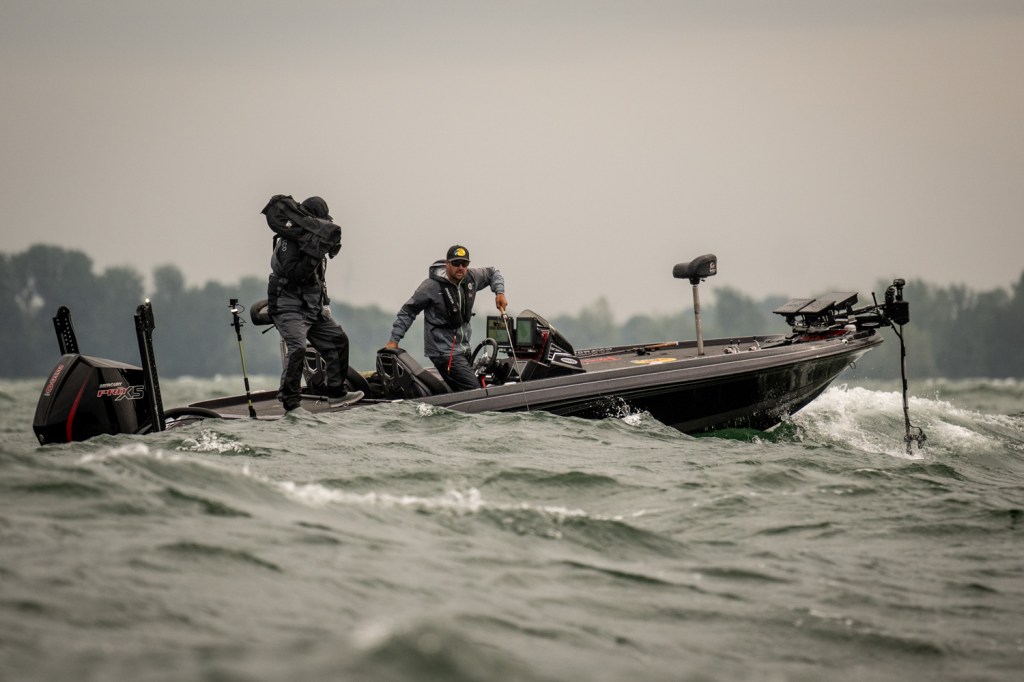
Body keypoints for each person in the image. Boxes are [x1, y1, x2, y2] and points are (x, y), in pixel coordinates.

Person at [266, 195, 363, 411]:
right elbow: (294, 275)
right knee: (297, 348)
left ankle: (336, 393)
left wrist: (324, 304)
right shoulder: (289, 241)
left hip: (312, 307)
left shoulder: (313, 240)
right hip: (287, 306)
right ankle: (291, 403)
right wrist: (314, 254)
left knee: (338, 340)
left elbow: (318, 279)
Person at [385, 245, 507, 391]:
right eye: (456, 263)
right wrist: (394, 341)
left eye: (464, 264)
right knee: (475, 391)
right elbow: (408, 312)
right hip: (443, 352)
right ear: (447, 264)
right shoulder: (431, 286)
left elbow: (493, 272)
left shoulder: (472, 277)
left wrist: (500, 292)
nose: (460, 268)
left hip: (463, 349)